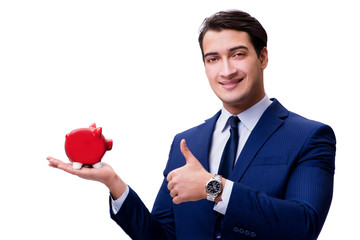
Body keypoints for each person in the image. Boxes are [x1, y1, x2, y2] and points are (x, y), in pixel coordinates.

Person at [47, 10, 336, 240]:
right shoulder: (186, 143)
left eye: (238, 54)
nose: (226, 70)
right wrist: (114, 184)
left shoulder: (309, 136)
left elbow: (304, 225)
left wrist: (214, 188)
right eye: (213, 59)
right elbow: (163, 236)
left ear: (263, 57)